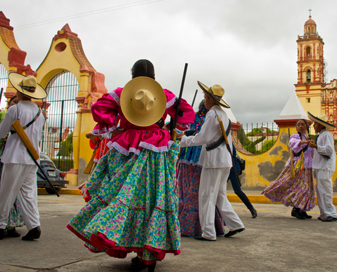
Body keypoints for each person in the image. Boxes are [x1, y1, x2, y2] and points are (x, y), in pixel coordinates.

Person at [67, 59, 195, 271]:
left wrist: (116, 125)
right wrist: (173, 125)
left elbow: (99, 108)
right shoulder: (165, 94)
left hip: (126, 146)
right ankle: (149, 252)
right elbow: (186, 113)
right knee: (154, 198)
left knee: (120, 197)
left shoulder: (121, 93)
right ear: (153, 77)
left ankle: (125, 241)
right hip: (157, 147)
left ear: (132, 75)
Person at [179, 81, 245, 241]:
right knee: (220, 195)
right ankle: (235, 224)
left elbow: (203, 138)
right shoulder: (223, 114)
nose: (204, 100)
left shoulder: (212, 114)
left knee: (206, 195)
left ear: (210, 99)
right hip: (224, 161)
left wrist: (184, 139)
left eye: (205, 97)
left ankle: (208, 233)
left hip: (214, 161)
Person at [0, 73, 47, 240]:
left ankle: (1, 225)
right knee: (28, 193)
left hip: (14, 156)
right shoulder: (39, 113)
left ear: (20, 92)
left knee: (6, 192)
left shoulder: (15, 109)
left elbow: (1, 132)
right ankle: (34, 226)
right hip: (32, 158)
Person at [177, 100, 225, 237]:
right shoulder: (214, 116)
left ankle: (197, 227)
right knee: (204, 192)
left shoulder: (199, 117)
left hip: (191, 154)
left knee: (189, 190)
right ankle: (210, 226)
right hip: (200, 156)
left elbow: (185, 132)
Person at [262, 119, 315, 219]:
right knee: (301, 188)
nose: (300, 126)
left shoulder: (309, 138)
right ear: (296, 127)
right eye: (298, 125)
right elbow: (292, 143)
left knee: (307, 189)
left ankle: (301, 209)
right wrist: (305, 142)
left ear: (306, 126)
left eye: (302, 125)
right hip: (297, 167)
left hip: (307, 168)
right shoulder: (295, 137)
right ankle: (296, 209)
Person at [0, 95, 25, 238]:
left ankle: (10, 225)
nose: (15, 105)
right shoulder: (5, 117)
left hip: (12, 160)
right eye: (13, 102)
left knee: (11, 194)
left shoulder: (24, 119)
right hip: (4, 159)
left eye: (18, 102)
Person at [307, 112, 337, 222]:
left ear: (321, 125)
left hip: (324, 167)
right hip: (321, 166)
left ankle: (330, 213)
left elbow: (329, 150)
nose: (314, 126)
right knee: (321, 191)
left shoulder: (326, 135)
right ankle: (325, 213)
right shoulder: (322, 135)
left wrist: (316, 146)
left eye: (315, 124)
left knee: (325, 191)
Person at [229, 143, 257, 218]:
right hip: (226, 168)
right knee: (218, 191)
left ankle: (252, 209)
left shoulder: (227, 141)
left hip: (232, 169)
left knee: (237, 190)